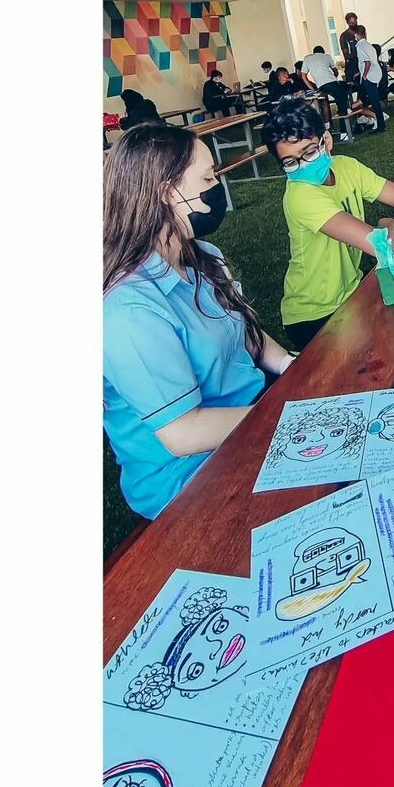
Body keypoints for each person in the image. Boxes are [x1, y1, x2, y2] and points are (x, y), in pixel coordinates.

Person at [103, 124, 295, 519]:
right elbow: (182, 432)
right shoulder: (127, 310)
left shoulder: (200, 255)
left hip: (253, 421)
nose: (216, 186)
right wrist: (284, 419)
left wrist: (291, 367)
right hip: (192, 474)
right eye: (207, 178)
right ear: (167, 192)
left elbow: (245, 334)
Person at [261, 98, 394, 349]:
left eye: (309, 152)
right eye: (291, 162)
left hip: (353, 291)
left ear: (326, 140)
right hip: (314, 314)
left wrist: (387, 238)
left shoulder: (347, 167)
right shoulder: (299, 196)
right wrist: (386, 222)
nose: (303, 165)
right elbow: (380, 246)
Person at [352, 24, 386, 133]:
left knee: (374, 101)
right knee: (374, 101)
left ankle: (381, 126)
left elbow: (366, 62)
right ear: (365, 33)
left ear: (356, 35)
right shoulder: (369, 46)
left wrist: (364, 75)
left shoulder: (359, 46)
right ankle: (380, 124)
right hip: (376, 75)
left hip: (369, 76)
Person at [302, 44, 350, 117]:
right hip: (332, 82)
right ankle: (345, 110)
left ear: (314, 53)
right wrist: (334, 78)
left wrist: (312, 89)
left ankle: (343, 111)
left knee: (338, 94)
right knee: (345, 88)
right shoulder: (327, 56)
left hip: (321, 85)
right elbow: (336, 72)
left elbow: (303, 76)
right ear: (323, 52)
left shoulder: (307, 58)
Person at [339, 12, 360, 84]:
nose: (354, 24)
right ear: (347, 23)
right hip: (352, 63)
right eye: (351, 23)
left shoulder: (360, 31)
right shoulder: (344, 36)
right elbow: (346, 54)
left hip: (362, 61)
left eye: (355, 22)